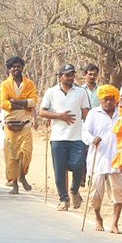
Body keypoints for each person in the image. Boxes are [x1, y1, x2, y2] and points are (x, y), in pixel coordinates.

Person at [39, 63, 90, 211]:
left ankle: (74, 190)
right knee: (59, 169)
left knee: (79, 165)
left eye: (72, 74)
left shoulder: (80, 92)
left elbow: (86, 112)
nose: (70, 77)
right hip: (58, 137)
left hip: (77, 137)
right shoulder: (51, 92)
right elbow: (42, 111)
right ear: (59, 77)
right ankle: (63, 199)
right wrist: (59, 116)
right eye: (67, 75)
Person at [83, 85, 122, 233]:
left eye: (111, 99)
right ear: (100, 100)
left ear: (115, 99)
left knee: (118, 194)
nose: (108, 102)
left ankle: (114, 224)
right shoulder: (94, 113)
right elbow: (85, 131)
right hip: (98, 159)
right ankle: (98, 217)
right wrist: (92, 139)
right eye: (105, 100)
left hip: (117, 159)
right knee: (95, 194)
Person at [0, 56, 38, 194]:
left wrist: (15, 101)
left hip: (25, 123)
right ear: (9, 69)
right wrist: (23, 103)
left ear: (22, 68)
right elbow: (4, 103)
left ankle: (23, 175)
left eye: (18, 66)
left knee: (26, 152)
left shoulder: (29, 84)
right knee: (12, 156)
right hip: (10, 124)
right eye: (13, 67)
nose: (16, 69)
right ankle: (15, 183)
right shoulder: (5, 84)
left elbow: (34, 102)